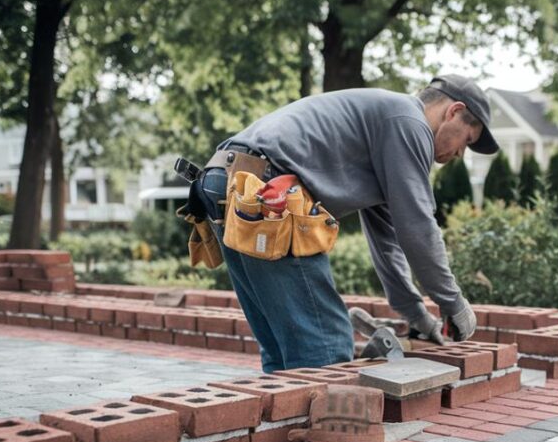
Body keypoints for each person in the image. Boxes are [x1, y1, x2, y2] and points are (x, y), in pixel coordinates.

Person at [195, 74, 498, 373]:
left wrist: (416, 314)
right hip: (268, 192)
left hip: (226, 183)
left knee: (283, 352)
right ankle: (325, 423)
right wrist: (454, 304)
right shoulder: (410, 122)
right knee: (326, 347)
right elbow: (418, 229)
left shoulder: (386, 124)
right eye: (466, 140)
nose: (459, 153)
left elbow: (389, 240)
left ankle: (291, 420)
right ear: (454, 112)